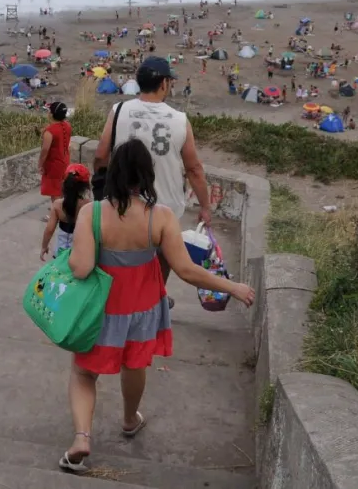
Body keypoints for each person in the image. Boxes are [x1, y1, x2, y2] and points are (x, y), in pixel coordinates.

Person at [60, 140, 254, 473]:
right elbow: (186, 270)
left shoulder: (91, 213)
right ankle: (129, 419)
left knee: (83, 372)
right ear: (148, 175)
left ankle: (81, 437)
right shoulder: (160, 217)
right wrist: (231, 287)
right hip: (142, 311)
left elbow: (80, 268)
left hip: (101, 313)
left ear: (114, 173)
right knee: (134, 366)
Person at [93, 56, 212, 308]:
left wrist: (104, 182)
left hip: (122, 201)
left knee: (120, 255)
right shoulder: (180, 120)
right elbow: (194, 169)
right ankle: (154, 297)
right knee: (161, 258)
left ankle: (118, 300)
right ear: (164, 84)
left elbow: (101, 155)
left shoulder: (119, 111)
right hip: (164, 205)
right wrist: (205, 206)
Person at [40, 164, 91, 260]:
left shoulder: (57, 205)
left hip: (60, 253)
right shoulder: (88, 206)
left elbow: (49, 230)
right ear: (85, 186)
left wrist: (44, 246)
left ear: (64, 183)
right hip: (79, 253)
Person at [39, 102, 72, 200]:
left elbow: (45, 150)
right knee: (61, 187)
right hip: (65, 160)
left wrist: (40, 164)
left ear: (52, 114)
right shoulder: (67, 126)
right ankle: (61, 207)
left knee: (54, 191)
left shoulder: (49, 131)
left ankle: (56, 212)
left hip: (54, 164)